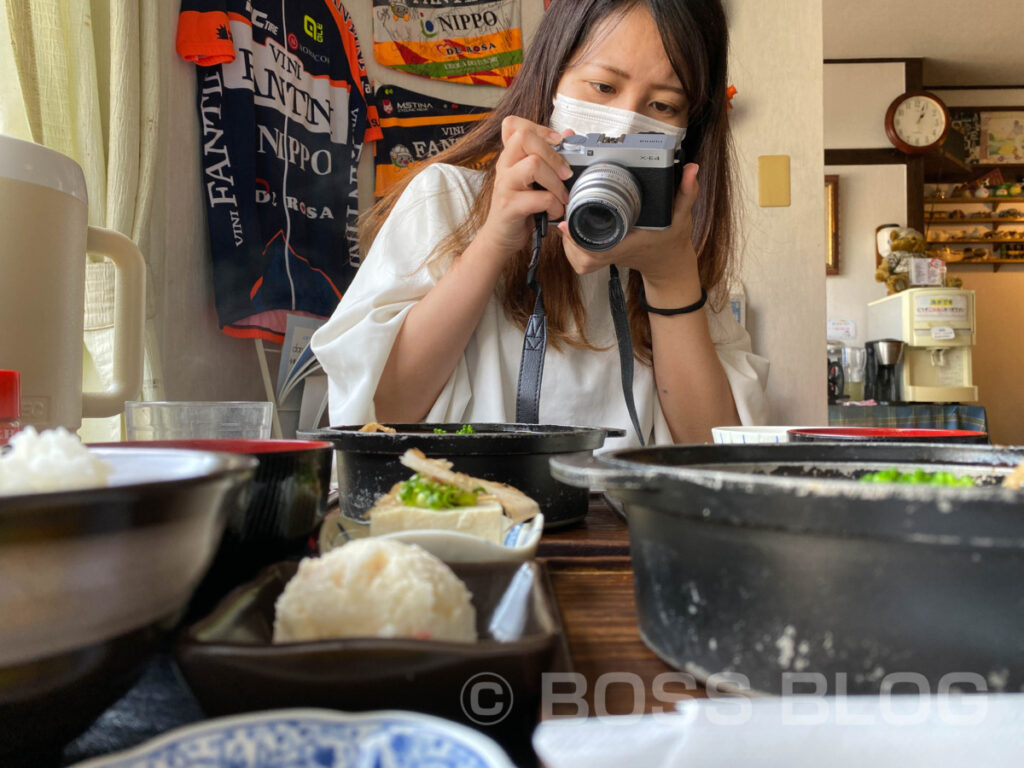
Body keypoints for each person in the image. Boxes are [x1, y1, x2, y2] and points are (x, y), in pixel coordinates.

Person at [312, 0, 769, 449]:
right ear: (552, 77)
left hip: (621, 522)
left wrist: (670, 277)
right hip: (468, 513)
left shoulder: (675, 239)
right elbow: (382, 410)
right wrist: (492, 242)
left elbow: (716, 452)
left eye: (663, 106)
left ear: (691, 128)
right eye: (603, 88)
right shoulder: (450, 198)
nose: (626, 124)